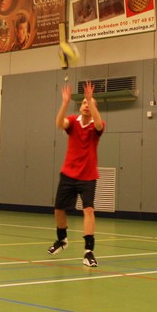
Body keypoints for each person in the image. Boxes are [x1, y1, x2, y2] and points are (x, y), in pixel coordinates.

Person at [46, 81, 105, 268]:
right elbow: (59, 124)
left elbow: (98, 124)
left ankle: (88, 251)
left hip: (88, 176)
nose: (86, 105)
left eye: (90, 103)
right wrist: (64, 103)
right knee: (59, 210)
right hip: (68, 173)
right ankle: (62, 240)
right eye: (84, 103)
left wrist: (90, 99)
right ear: (80, 107)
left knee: (88, 210)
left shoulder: (98, 125)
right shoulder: (72, 121)